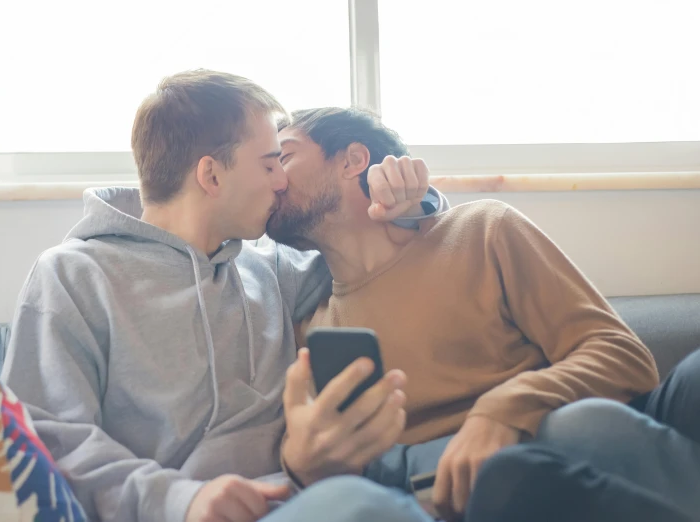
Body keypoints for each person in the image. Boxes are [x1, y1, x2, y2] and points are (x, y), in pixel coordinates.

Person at [0, 70, 448, 522]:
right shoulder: (74, 276)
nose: (280, 183)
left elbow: (375, 257)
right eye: (270, 164)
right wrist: (181, 500)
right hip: (180, 513)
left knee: (472, 464)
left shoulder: (271, 268)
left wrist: (413, 203)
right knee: (365, 507)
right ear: (211, 175)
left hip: (300, 499)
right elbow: (50, 437)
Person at [267, 107, 700, 522]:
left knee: (601, 417)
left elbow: (624, 358)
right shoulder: (313, 326)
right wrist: (300, 461)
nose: (273, 176)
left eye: (283, 156)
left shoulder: (481, 229)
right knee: (529, 465)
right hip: (485, 489)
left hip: (582, 430)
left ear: (353, 160)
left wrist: (502, 410)